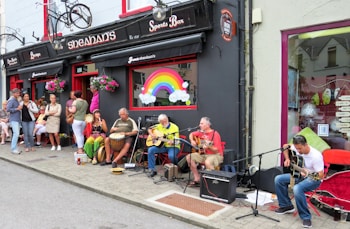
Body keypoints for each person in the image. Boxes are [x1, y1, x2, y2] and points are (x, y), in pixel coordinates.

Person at [274, 135, 324, 228]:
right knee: (278, 179)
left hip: (313, 179)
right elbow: (285, 146)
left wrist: (309, 175)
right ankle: (287, 206)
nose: (298, 151)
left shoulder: (316, 156)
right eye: (297, 148)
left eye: (300, 149)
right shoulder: (296, 147)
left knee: (297, 188)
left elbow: (321, 175)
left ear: (306, 145)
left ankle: (306, 217)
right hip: (299, 175)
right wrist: (288, 159)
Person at [186, 117, 223, 186]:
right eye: (200, 123)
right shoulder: (201, 132)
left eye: (201, 123)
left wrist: (209, 146)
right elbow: (191, 134)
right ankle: (197, 178)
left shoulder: (215, 134)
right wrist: (192, 140)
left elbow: (216, 150)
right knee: (189, 157)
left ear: (207, 125)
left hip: (216, 155)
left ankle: (214, 181)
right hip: (204, 154)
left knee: (207, 162)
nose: (199, 125)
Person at [69, 90, 88, 154]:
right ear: (81, 95)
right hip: (83, 120)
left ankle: (80, 149)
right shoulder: (85, 102)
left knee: (77, 135)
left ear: (75, 96)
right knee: (81, 134)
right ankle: (82, 148)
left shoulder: (75, 102)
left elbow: (73, 111)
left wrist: (69, 109)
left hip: (76, 120)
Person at [6, 88, 23, 154]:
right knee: (16, 134)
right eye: (17, 93)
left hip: (17, 119)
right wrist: (17, 108)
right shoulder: (12, 100)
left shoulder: (16, 99)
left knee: (16, 134)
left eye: (19, 93)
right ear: (14, 93)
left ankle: (15, 148)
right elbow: (8, 109)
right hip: (14, 119)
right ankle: (13, 149)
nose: (18, 94)